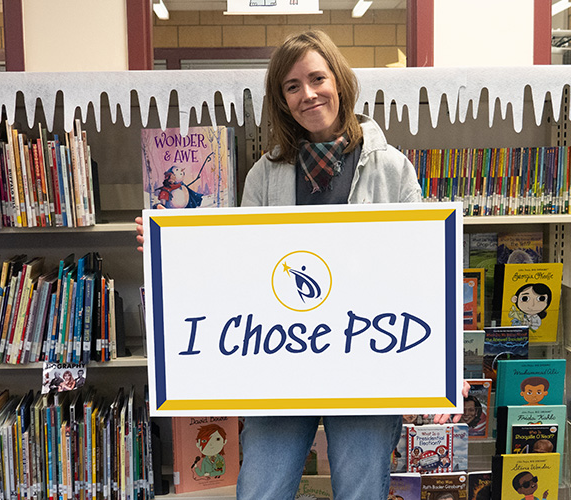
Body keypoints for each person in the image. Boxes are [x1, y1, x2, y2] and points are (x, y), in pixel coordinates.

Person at [136, 29, 428, 500]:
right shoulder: (265, 174)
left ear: (340, 80)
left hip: (365, 364)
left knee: (361, 492)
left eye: (317, 78)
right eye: (293, 86)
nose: (308, 93)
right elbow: (241, 268)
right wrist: (169, 251)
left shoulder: (392, 168)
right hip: (280, 363)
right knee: (261, 490)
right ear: (282, 99)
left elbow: (418, 269)